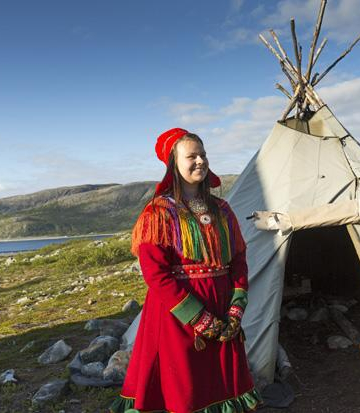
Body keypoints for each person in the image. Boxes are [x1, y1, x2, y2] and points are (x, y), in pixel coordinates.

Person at [109, 128, 262, 413]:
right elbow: (156, 274)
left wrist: (235, 308)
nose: (200, 161)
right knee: (184, 389)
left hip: (222, 309)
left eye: (203, 155)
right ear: (174, 164)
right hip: (177, 316)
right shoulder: (157, 213)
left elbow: (238, 259)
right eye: (191, 156)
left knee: (219, 383)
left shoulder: (222, 209)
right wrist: (198, 318)